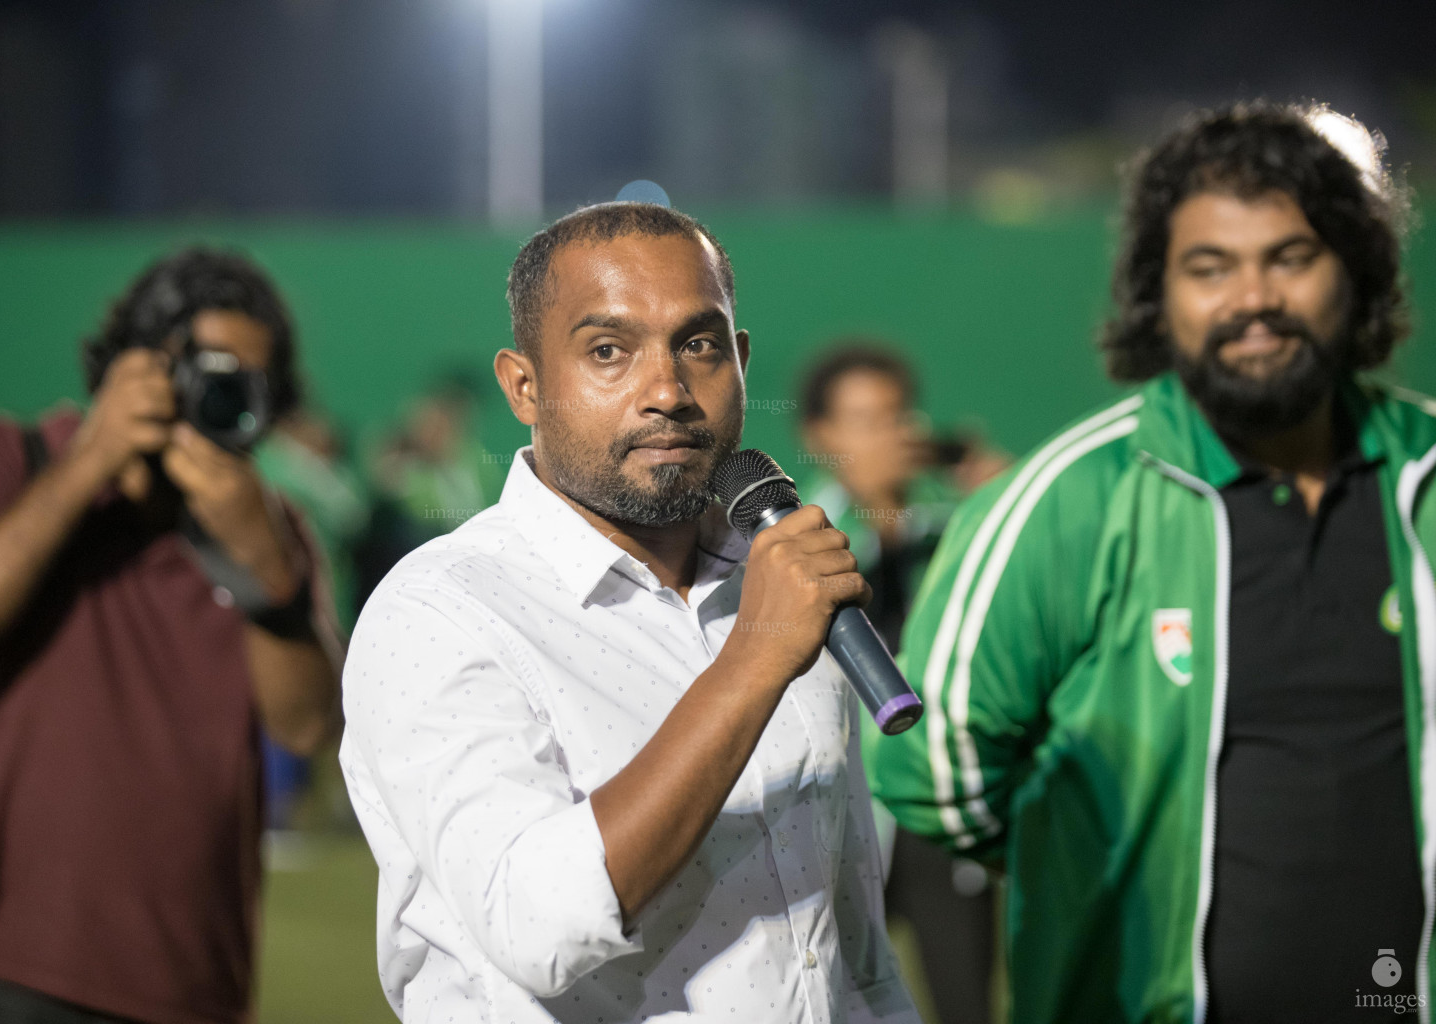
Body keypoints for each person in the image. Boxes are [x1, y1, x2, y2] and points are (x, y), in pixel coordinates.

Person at [872, 101, 1428, 1024]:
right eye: (1210, 268)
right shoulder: (1066, 501)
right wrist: (1091, 866)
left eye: (1290, 257)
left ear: (1355, 271)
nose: (1254, 298)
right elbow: (931, 768)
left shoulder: (1427, 477)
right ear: (1157, 295)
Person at [340, 202, 920, 1024]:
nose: (668, 392)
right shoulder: (438, 611)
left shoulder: (782, 586)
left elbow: (852, 954)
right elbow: (536, 928)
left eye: (700, 344)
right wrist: (753, 663)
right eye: (608, 351)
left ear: (742, 361)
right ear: (524, 386)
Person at [0, 247, 342, 1024]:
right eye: (205, 368)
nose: (219, 394)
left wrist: (268, 578)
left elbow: (307, 728)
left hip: (191, 982)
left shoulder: (269, 529)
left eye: (246, 383)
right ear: (136, 361)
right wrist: (92, 460)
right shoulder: (8, 457)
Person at [799, 345, 1002, 1024]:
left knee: (967, 1004)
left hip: (935, 810)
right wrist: (874, 508)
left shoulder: (957, 532)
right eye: (865, 420)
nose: (888, 435)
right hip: (835, 812)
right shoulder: (795, 538)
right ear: (820, 436)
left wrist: (999, 507)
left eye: (897, 417)